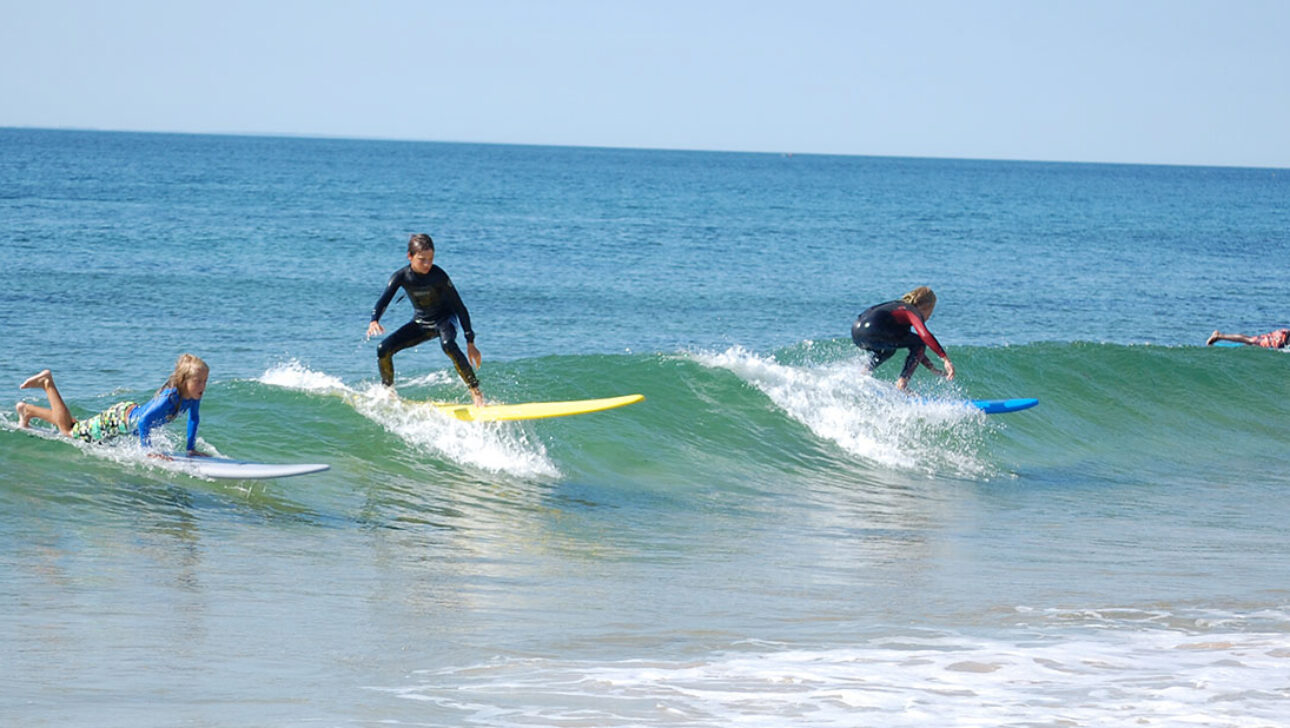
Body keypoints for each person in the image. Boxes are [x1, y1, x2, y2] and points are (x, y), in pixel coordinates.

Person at [367, 233, 485, 407]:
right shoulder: (401, 276)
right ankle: (388, 392)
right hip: (421, 323)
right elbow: (384, 300)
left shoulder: (439, 276)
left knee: (448, 345)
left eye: (431, 259)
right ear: (410, 256)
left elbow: (460, 307)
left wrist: (470, 341)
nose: (428, 264)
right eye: (422, 260)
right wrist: (374, 320)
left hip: (445, 319)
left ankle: (476, 392)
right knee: (383, 349)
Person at [15, 353, 210, 457]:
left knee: (76, 427)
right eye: (198, 381)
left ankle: (28, 411)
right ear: (184, 381)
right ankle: (47, 383)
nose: (203, 385)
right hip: (117, 420)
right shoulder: (169, 398)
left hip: (125, 416)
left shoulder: (193, 397)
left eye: (205, 380)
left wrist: (190, 449)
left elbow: (194, 419)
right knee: (69, 432)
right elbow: (143, 422)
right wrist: (147, 451)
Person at [851, 286, 956, 390]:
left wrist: (932, 369)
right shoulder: (910, 310)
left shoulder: (896, 308)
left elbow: (916, 349)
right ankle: (902, 383)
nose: (929, 316)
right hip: (874, 330)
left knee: (890, 349)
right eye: (931, 311)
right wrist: (945, 359)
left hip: (857, 332)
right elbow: (924, 335)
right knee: (919, 342)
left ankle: (863, 372)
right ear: (926, 306)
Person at [1206, 328, 1289, 349]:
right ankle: (1219, 336)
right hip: (1280, 339)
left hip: (1282, 336)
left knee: (1251, 340)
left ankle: (1220, 336)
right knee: (1251, 341)